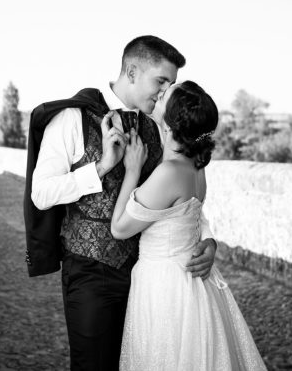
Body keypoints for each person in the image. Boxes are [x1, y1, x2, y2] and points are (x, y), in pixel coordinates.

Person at [23, 35, 218, 371]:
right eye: (160, 81)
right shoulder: (73, 117)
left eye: (170, 84)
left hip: (149, 281)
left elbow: (181, 197)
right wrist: (100, 168)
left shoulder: (163, 125)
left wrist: (207, 241)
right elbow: (40, 194)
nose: (163, 93)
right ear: (131, 71)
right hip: (90, 273)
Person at [111, 80, 266, 370]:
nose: (158, 94)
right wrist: (210, 241)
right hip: (191, 283)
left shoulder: (169, 171)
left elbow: (119, 228)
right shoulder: (197, 164)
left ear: (170, 124)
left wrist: (131, 171)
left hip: (166, 287)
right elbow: (192, 217)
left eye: (164, 96)